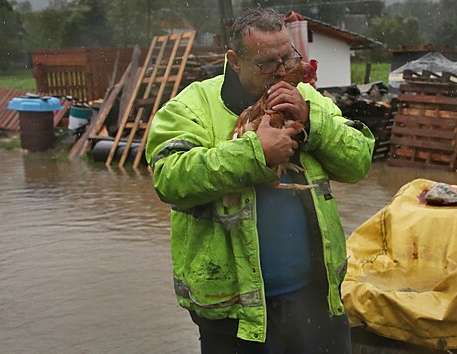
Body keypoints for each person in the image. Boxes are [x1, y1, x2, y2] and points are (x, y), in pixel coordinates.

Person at [145, 7, 374, 354]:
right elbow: (168, 177)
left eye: (287, 58)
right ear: (235, 61)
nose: (281, 72)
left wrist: (313, 124)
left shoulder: (306, 98)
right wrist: (255, 155)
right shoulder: (193, 106)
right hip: (234, 315)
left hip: (317, 300)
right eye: (267, 63)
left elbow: (358, 162)